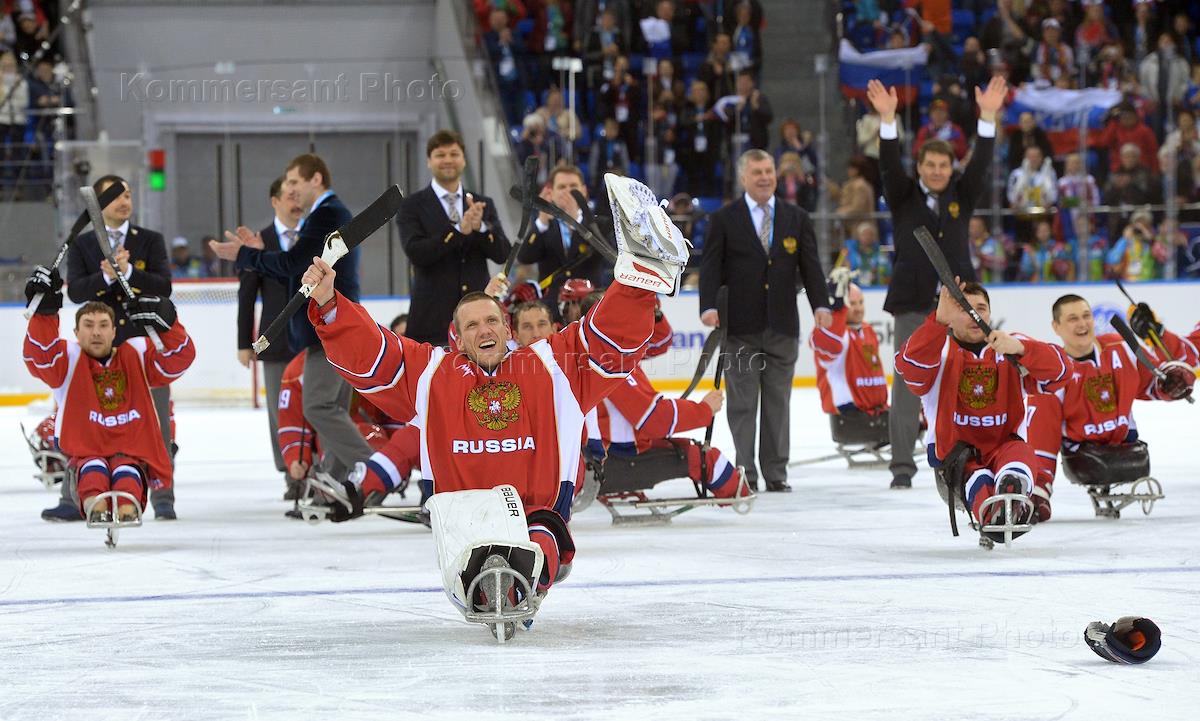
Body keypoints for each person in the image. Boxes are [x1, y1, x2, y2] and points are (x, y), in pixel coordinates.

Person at [300, 172, 688, 609]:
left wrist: (636, 283)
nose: (483, 329)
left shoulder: (546, 364)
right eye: (472, 325)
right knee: (478, 574)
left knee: (537, 541)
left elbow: (603, 341)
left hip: (537, 516)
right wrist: (330, 304)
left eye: (491, 321)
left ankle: (647, 265)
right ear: (458, 339)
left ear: (507, 328)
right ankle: (508, 582)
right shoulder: (433, 374)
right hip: (462, 520)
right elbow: (375, 358)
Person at [865, 75, 1007, 490]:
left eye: (945, 165)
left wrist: (987, 118)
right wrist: (887, 121)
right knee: (908, 383)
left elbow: (981, 161)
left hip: (962, 303)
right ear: (920, 168)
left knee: (970, 378)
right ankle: (902, 469)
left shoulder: (964, 192)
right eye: (931, 165)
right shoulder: (903, 195)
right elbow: (889, 164)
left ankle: (972, 452)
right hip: (913, 304)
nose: (938, 171)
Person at [210, 152, 373, 484]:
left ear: (316, 179)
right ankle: (333, 481)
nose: (292, 190)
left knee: (317, 407)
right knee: (331, 407)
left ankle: (377, 468)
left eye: (296, 182)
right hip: (322, 328)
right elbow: (285, 274)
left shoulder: (327, 214)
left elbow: (293, 265)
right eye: (287, 186)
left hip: (329, 326)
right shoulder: (325, 214)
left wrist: (246, 255)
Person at [895, 281, 1069, 544]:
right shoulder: (938, 351)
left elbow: (1062, 372)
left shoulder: (1010, 346)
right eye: (965, 309)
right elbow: (908, 366)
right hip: (957, 459)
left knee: (1019, 453)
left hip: (1003, 447)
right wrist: (938, 322)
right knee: (977, 477)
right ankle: (993, 511)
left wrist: (1023, 350)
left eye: (981, 308)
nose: (975, 314)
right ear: (951, 317)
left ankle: (1013, 491)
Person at [699, 149, 830, 493]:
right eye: (757, 171)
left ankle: (775, 472)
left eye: (769, 171)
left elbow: (811, 267)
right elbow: (710, 266)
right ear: (743, 177)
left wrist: (822, 305)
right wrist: (707, 305)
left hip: (783, 326)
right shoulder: (724, 218)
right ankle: (746, 471)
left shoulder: (796, 217)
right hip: (739, 327)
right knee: (742, 404)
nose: (764, 177)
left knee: (778, 403)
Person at [22, 266, 195, 523]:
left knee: (127, 474)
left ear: (114, 332)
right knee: (94, 472)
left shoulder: (136, 352)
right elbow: (40, 357)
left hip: (130, 446)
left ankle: (127, 504)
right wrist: (44, 314)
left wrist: (170, 323)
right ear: (76, 333)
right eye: (88, 325)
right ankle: (95, 503)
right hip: (87, 448)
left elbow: (178, 360)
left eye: (104, 325)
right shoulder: (66, 358)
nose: (96, 332)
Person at [61, 174, 177, 520]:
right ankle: (76, 497)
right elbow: (77, 292)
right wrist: (108, 278)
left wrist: (130, 273)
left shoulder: (150, 241)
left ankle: (163, 496)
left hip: (141, 351)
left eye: (127, 193)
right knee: (84, 426)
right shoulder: (82, 245)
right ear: (97, 206)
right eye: (114, 195)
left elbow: (164, 287)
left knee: (156, 421)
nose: (124, 200)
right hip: (95, 356)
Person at [1024, 296, 1196, 521]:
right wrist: (1040, 489)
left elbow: (1152, 383)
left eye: (1086, 316)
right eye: (1072, 318)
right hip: (1084, 454)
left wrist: (1172, 383)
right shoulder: (1052, 370)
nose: (1082, 323)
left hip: (1126, 446)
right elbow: (1043, 435)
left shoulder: (1120, 347)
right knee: (1043, 402)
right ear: (1056, 327)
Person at [397, 130, 510, 346]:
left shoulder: (482, 202)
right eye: (440, 155)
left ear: (464, 160)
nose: (448, 160)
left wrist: (481, 228)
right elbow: (416, 252)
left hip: (478, 321)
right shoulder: (411, 205)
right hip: (431, 321)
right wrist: (459, 230)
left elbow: (502, 253)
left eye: (454, 154)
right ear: (429, 161)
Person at [236, 176, 303, 493]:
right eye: (288, 194)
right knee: (281, 411)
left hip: (315, 340)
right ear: (275, 201)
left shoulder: (316, 237)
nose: (295, 199)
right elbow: (247, 296)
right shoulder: (258, 241)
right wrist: (243, 344)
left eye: (299, 194)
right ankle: (291, 472)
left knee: (316, 406)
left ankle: (317, 469)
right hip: (275, 342)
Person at [518, 165, 612, 305]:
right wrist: (542, 221)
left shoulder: (600, 224)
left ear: (584, 191)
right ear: (551, 193)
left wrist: (573, 221)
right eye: (562, 187)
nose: (568, 191)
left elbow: (607, 256)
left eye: (573, 186)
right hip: (551, 309)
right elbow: (524, 257)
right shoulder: (543, 226)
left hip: (590, 307)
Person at [810, 279, 888, 418]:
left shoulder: (868, 329)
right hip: (849, 415)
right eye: (852, 304)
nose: (858, 308)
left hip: (876, 409)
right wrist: (836, 310)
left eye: (861, 302)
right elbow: (829, 344)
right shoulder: (835, 335)